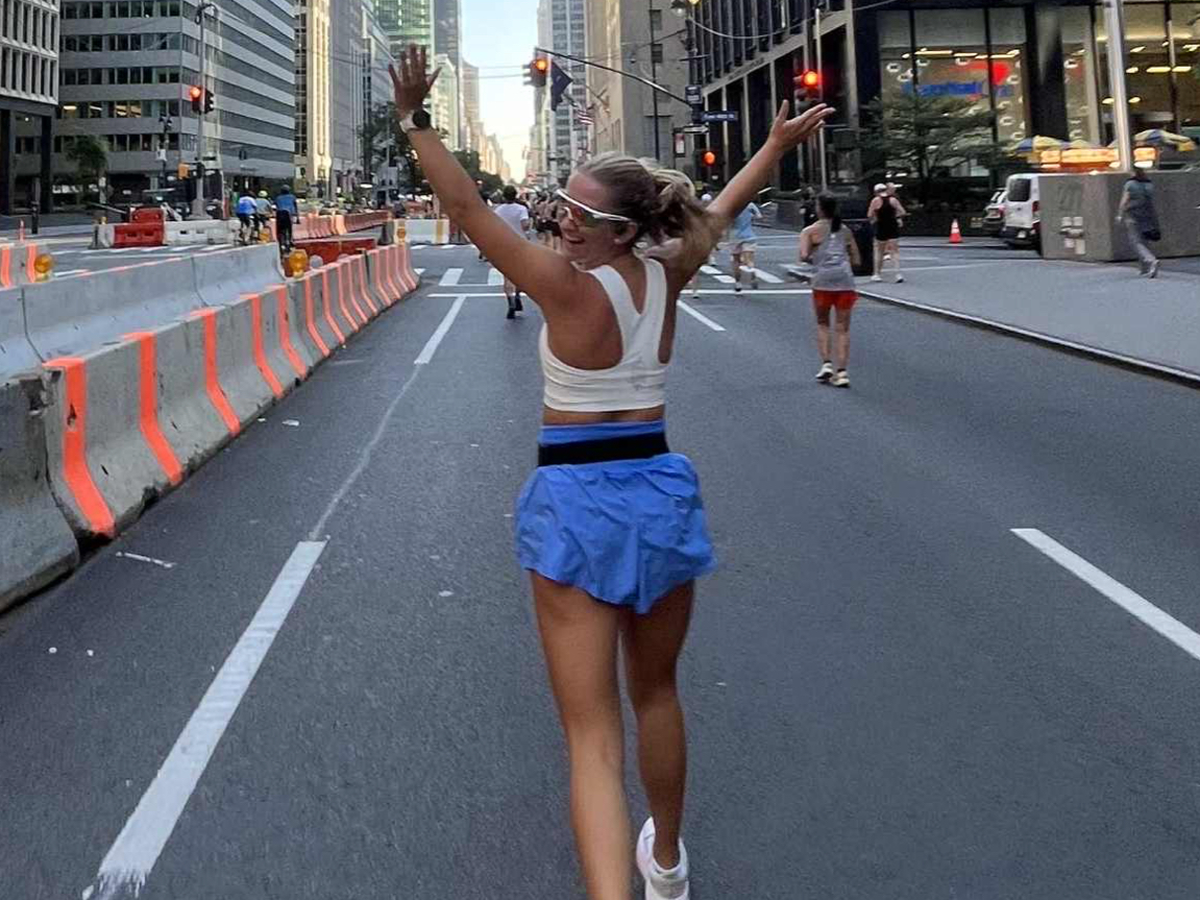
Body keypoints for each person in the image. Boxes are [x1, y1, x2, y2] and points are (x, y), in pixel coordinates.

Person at [390, 45, 831, 900]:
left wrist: (414, 119)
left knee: (592, 737)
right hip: (658, 492)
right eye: (561, 204)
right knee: (657, 693)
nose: (560, 218)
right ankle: (665, 861)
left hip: (576, 503)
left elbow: (465, 206)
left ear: (620, 230)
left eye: (577, 212)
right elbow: (722, 208)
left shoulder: (562, 288)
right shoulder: (669, 273)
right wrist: (773, 149)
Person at [801, 193, 861, 388]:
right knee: (842, 328)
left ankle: (826, 364)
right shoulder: (845, 230)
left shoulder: (810, 231)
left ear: (819, 209)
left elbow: (804, 256)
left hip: (822, 281)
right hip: (845, 281)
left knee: (822, 323)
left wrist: (817, 258)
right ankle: (842, 372)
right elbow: (856, 260)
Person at [493, 185, 532, 318]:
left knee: (507, 275)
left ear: (504, 196)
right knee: (520, 274)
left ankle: (510, 301)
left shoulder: (498, 210)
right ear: (515, 195)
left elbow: (495, 226)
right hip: (519, 243)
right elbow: (525, 225)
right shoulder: (521, 209)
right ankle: (517, 295)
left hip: (504, 244)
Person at [1118, 165, 1160, 278]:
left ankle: (1150, 260)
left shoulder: (1130, 184)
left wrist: (1120, 214)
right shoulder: (1149, 184)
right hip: (1147, 215)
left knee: (1135, 241)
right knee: (1145, 240)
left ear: (1133, 172)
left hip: (1132, 214)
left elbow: (1124, 200)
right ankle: (1144, 269)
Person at [868, 182, 906, 283]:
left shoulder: (876, 200)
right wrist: (896, 217)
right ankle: (898, 274)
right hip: (892, 226)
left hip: (881, 226)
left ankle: (877, 274)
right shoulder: (893, 200)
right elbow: (903, 212)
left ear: (876, 192)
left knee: (879, 251)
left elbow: (869, 214)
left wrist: (875, 218)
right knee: (894, 251)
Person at [728, 200, 762, 293]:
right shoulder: (750, 205)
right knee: (749, 259)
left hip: (735, 236)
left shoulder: (732, 206)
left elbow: (728, 220)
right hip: (749, 235)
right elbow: (759, 216)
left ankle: (738, 283)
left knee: (736, 261)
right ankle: (752, 273)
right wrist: (749, 218)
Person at [274, 184, 299, 252]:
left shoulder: (278, 198)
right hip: (288, 214)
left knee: (280, 230)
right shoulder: (292, 197)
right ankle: (289, 241)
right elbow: (295, 207)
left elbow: (276, 206)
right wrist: (297, 218)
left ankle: (281, 243)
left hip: (279, 214)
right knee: (289, 229)